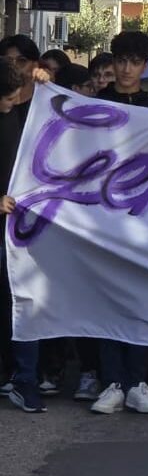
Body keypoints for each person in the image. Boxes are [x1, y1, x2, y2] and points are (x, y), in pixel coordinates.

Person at [91, 31, 148, 415]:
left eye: (134, 62)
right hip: (103, 217)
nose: (125, 68)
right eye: (120, 60)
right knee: (109, 302)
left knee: (140, 302)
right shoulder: (95, 105)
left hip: (144, 219)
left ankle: (138, 381)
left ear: (145, 64)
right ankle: (112, 383)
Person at [0, 55, 51, 413]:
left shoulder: (15, 114)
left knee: (23, 300)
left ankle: (25, 378)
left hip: (17, 231)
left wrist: (45, 85)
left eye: (16, 97)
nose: (11, 104)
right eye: (6, 98)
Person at [0, 34, 41, 128]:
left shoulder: (44, 100)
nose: (14, 66)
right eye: (8, 60)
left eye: (22, 61)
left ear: (35, 65)